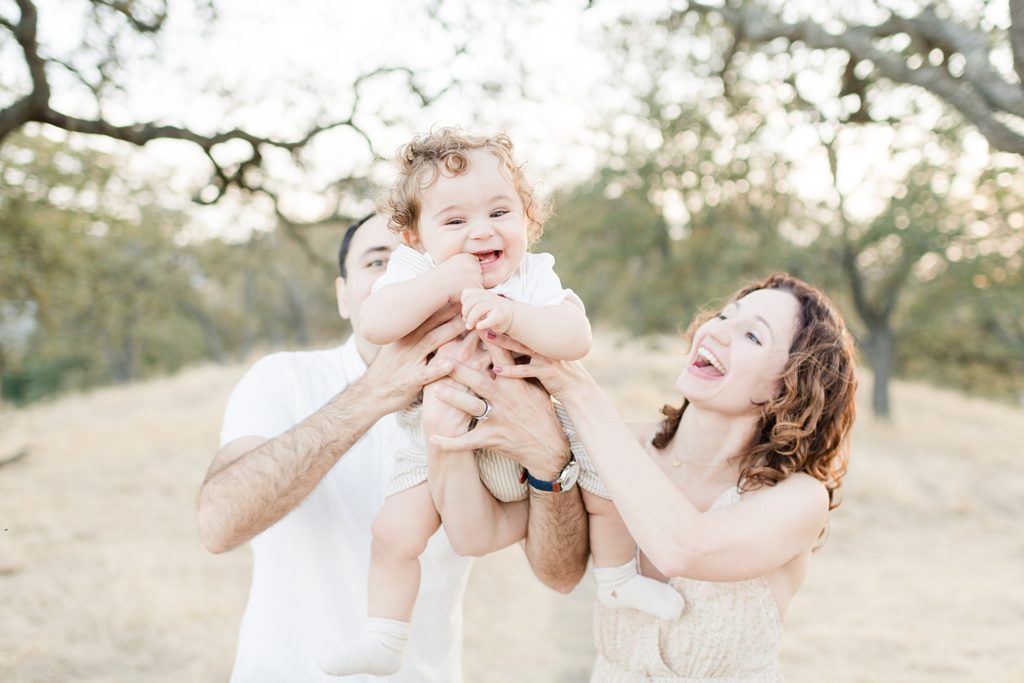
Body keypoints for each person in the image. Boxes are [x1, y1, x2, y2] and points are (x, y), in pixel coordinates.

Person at [322, 128, 681, 678]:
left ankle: (616, 578)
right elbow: (376, 321)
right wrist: (444, 282)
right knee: (392, 533)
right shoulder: (415, 271)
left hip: (539, 423)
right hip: (434, 437)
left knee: (608, 485)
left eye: (499, 211)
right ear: (416, 237)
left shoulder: (532, 275)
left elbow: (574, 336)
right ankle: (385, 634)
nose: (482, 231)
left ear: (526, 220)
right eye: (455, 221)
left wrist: (513, 315)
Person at [196, 213, 589, 683]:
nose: (398, 279)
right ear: (344, 296)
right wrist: (375, 391)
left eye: (421, 261)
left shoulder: (503, 380)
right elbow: (218, 526)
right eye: (377, 261)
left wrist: (550, 462)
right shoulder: (282, 378)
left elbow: (561, 574)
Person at [430, 273, 858, 682]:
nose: (716, 331)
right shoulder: (621, 444)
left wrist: (577, 388)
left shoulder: (799, 498)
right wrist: (548, 469)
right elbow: (557, 574)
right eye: (724, 316)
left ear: (788, 387)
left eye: (752, 335)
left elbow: (684, 549)